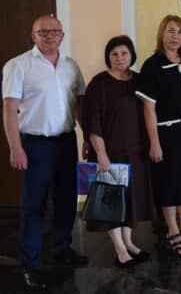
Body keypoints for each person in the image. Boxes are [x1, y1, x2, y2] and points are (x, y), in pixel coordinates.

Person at [2, 15, 87, 290]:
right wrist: (15, 147)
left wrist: (86, 136)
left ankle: (62, 249)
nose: (50, 36)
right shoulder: (18, 65)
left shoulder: (71, 66)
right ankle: (31, 264)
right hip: (35, 144)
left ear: (62, 35)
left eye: (55, 31)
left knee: (66, 201)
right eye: (44, 32)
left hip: (66, 141)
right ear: (33, 35)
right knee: (34, 205)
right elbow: (10, 110)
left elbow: (79, 104)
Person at [136, 15, 181, 257]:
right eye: (171, 30)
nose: (176, 36)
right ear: (162, 33)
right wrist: (154, 143)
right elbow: (149, 109)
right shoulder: (152, 65)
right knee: (169, 183)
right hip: (167, 135)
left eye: (180, 31)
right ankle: (173, 230)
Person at [82, 35, 156, 268]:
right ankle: (120, 249)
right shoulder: (99, 83)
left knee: (129, 199)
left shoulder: (139, 81)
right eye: (114, 54)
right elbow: (92, 121)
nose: (119, 58)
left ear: (131, 55)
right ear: (108, 57)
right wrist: (101, 154)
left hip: (135, 151)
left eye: (124, 53)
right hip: (109, 152)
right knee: (111, 201)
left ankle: (129, 242)